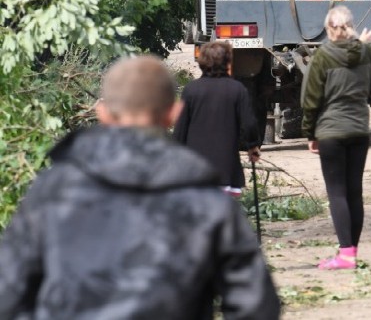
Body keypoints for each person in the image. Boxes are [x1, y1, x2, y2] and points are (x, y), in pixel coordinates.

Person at [0, 55, 280, 319]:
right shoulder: (205, 199)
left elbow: (8, 293)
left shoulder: (53, 190)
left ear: (103, 113)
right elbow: (256, 305)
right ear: (173, 113)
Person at [302, 5, 371, 270]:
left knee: (337, 192)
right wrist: (360, 44)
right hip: (359, 131)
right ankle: (352, 252)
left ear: (329, 29)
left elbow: (310, 99)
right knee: (355, 192)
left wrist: (309, 132)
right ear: (351, 26)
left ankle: (345, 254)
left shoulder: (323, 56)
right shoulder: (365, 52)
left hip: (330, 131)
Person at [173, 39, 262, 196]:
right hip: (226, 170)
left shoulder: (191, 90)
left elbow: (181, 129)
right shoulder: (237, 89)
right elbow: (249, 124)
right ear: (228, 62)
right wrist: (252, 146)